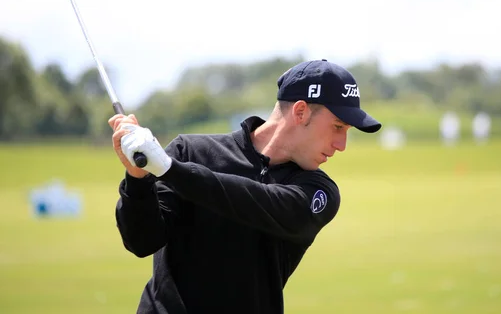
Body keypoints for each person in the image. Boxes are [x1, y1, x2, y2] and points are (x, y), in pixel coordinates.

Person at [109, 59, 382, 314]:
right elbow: (142, 241)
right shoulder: (191, 151)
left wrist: (169, 169)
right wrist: (138, 176)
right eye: (338, 126)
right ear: (300, 111)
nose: (342, 145)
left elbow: (257, 201)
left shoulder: (318, 191)